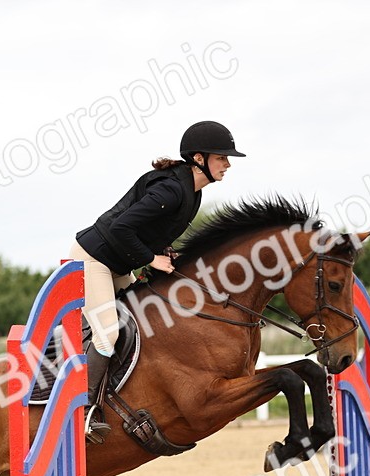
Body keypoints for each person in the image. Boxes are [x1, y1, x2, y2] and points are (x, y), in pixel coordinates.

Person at [70, 120, 245, 443]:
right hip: (94, 260)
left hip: (118, 261)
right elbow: (122, 228)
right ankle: (84, 410)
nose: (228, 164)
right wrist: (151, 260)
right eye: (222, 157)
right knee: (108, 332)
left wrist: (161, 250)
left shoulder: (191, 194)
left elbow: (148, 231)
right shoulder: (171, 189)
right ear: (199, 158)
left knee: (144, 318)